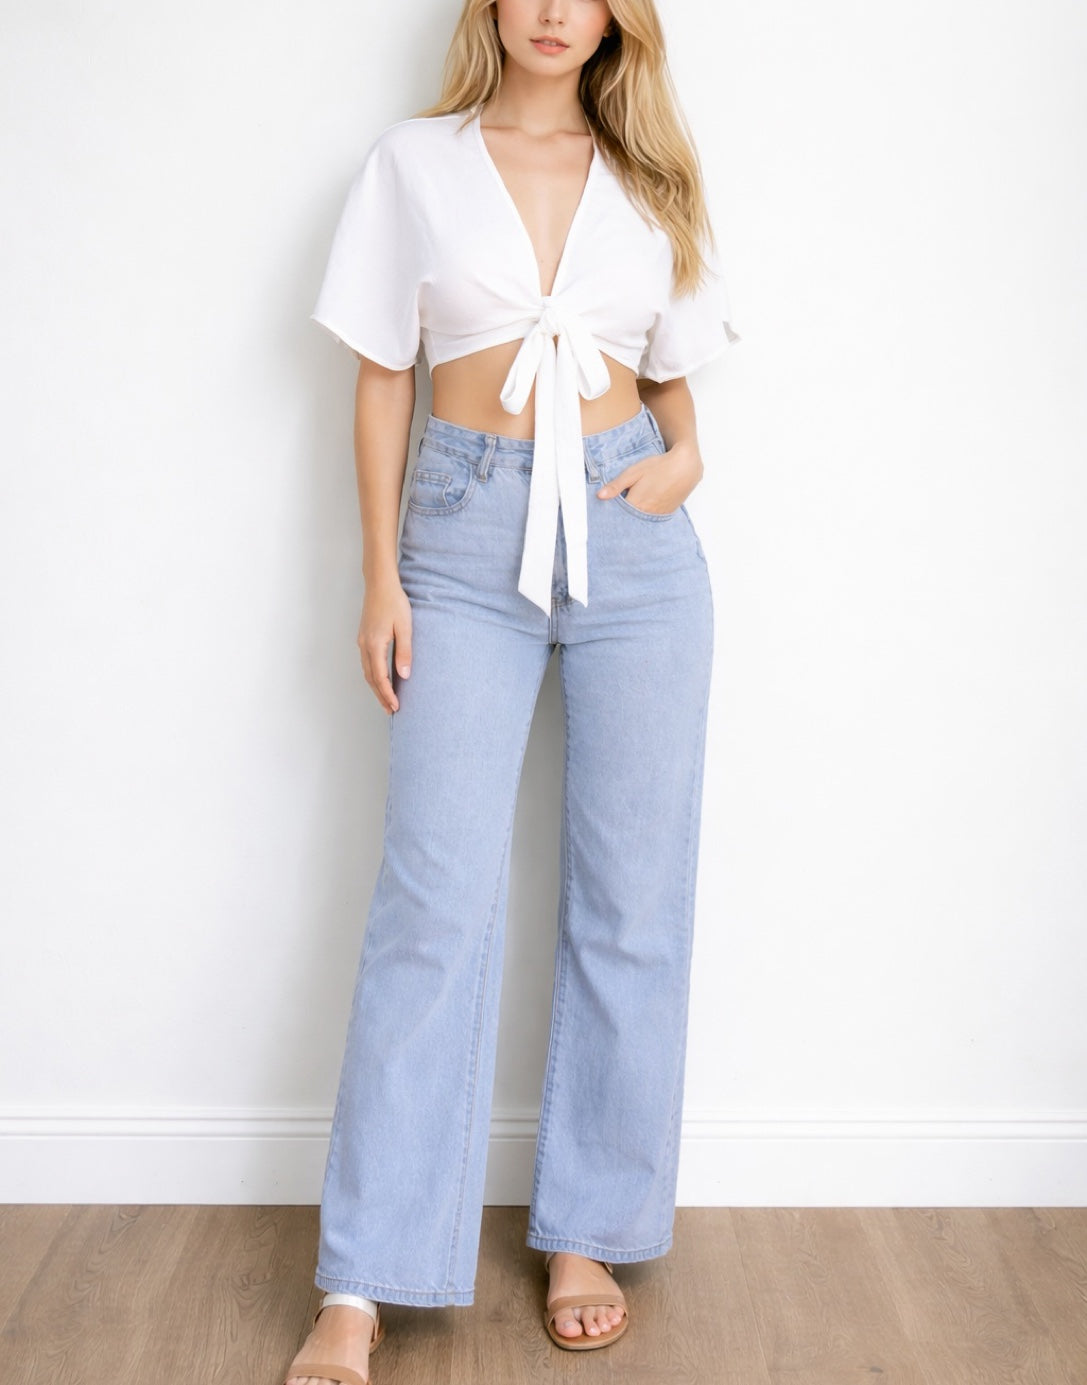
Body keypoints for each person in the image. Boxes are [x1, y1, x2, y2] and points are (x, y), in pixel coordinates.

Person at [284, 2, 740, 1381]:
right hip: (464, 534)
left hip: (635, 536)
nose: (554, 9)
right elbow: (380, 376)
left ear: (617, 18)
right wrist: (382, 579)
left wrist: (685, 457)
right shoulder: (413, 164)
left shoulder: (652, 170)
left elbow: (674, 370)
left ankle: (588, 1228)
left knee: (632, 898)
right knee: (431, 899)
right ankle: (364, 1275)